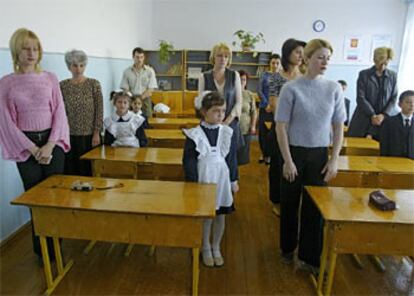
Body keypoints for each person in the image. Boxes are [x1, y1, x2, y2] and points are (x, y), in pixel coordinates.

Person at [275, 39, 345, 273]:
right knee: (289, 204)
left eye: (327, 58)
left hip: (319, 155)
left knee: (315, 209)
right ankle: (287, 249)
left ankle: (309, 257)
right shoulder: (291, 88)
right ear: (307, 58)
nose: (325, 62)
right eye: (320, 57)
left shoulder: (334, 88)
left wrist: (334, 159)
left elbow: (338, 128)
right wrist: (287, 160)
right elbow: (281, 126)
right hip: (293, 152)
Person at [0, 28, 70, 262]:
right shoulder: (7, 83)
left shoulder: (50, 78)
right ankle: (41, 251)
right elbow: (7, 122)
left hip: (53, 142)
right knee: (35, 201)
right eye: (26, 48)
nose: (31, 53)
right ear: (16, 51)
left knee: (55, 198)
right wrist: (32, 148)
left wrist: (50, 145)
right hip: (25, 147)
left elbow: (59, 112)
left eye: (35, 48)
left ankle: (57, 247)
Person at [183, 91, 237, 267]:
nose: (221, 114)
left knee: (220, 214)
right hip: (203, 177)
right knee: (206, 215)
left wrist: (233, 180)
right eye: (216, 111)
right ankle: (205, 246)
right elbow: (189, 160)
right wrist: (193, 183)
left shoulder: (226, 132)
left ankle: (216, 246)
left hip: (221, 177)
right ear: (204, 112)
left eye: (222, 111)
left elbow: (231, 158)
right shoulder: (194, 134)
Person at [268, 39, 306, 216]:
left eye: (303, 52)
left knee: (296, 165)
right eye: (297, 52)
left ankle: (293, 200)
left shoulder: (306, 77)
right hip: (281, 128)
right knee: (278, 164)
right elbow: (274, 104)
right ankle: (277, 200)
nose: (301, 56)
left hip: (301, 131)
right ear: (287, 53)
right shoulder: (277, 77)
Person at [198, 43, 242, 186]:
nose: (223, 59)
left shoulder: (234, 75)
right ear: (213, 58)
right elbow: (201, 104)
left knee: (230, 157)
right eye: (219, 55)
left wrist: (226, 122)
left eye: (226, 56)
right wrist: (213, 122)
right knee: (211, 158)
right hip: (210, 124)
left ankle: (230, 186)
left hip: (229, 122)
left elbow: (238, 102)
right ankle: (212, 186)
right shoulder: (204, 77)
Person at [60, 49, 103, 176]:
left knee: (88, 169)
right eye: (74, 65)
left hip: (89, 135)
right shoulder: (62, 85)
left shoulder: (93, 84)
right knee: (71, 169)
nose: (78, 69)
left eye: (81, 65)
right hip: (69, 135)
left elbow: (99, 109)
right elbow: (60, 111)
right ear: (69, 66)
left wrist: (97, 133)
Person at [348, 47, 398, 140]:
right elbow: (360, 97)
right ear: (375, 60)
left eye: (385, 63)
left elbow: (393, 97)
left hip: (384, 119)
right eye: (380, 63)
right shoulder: (364, 74)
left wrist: (383, 115)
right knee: (357, 146)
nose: (382, 66)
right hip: (364, 117)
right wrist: (372, 115)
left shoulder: (393, 76)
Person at [120, 47, 158, 118]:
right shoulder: (127, 72)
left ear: (144, 57)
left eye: (141, 57)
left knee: (147, 121)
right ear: (133, 57)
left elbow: (151, 88)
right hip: (131, 100)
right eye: (137, 57)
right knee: (129, 121)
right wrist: (133, 99)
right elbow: (125, 89)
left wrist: (140, 98)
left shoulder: (150, 71)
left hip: (145, 100)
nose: (139, 59)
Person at [257, 54, 281, 164]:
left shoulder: (282, 77)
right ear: (269, 64)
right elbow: (259, 90)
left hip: (277, 110)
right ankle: (264, 153)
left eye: (277, 63)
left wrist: (274, 106)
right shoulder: (264, 75)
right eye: (273, 63)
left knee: (273, 133)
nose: (275, 65)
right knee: (263, 133)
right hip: (264, 107)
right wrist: (267, 104)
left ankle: (270, 155)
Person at [380, 90, 414, 159]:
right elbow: (384, 145)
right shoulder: (389, 122)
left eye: (413, 102)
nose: (412, 105)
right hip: (393, 160)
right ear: (399, 104)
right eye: (408, 102)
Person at [237, 70, 257, 165]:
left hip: (245, 129)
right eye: (240, 79)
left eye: (244, 80)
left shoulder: (249, 94)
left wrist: (253, 126)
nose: (242, 81)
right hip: (233, 130)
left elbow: (254, 112)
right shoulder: (231, 93)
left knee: (243, 157)